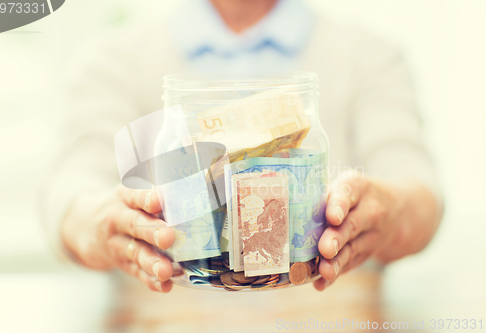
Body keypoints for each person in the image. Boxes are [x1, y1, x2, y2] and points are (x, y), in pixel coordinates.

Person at [42, 0, 443, 329]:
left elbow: (419, 188)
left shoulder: (370, 55)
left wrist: (389, 206)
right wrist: (95, 218)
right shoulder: (114, 59)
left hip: (331, 317)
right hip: (166, 317)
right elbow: (70, 188)